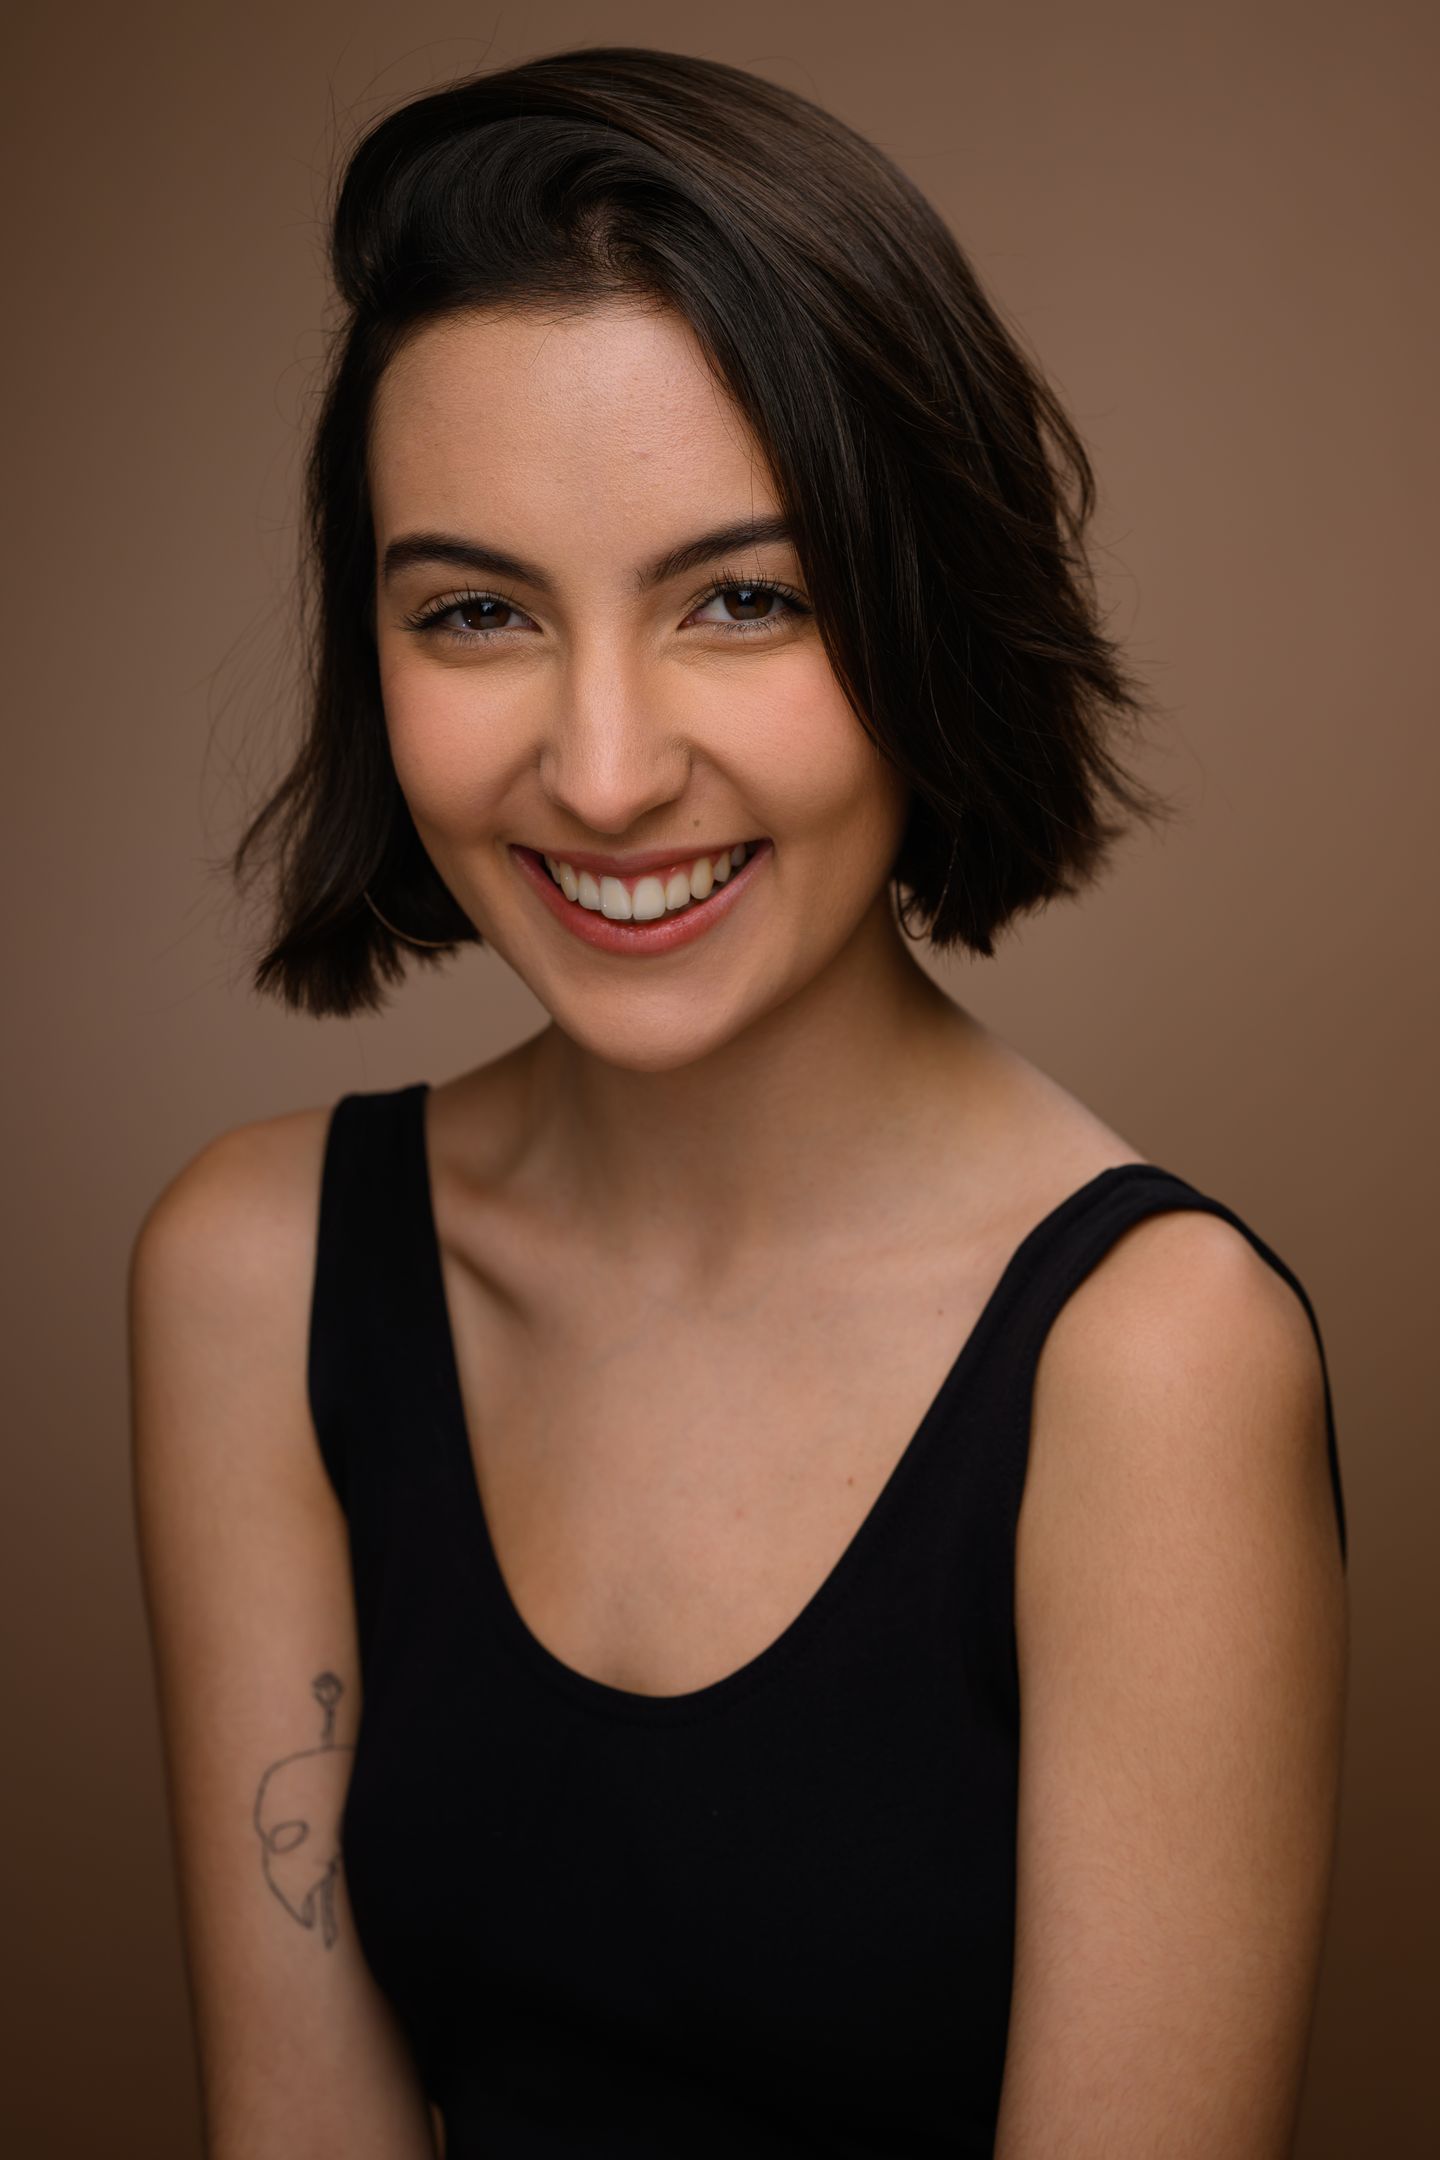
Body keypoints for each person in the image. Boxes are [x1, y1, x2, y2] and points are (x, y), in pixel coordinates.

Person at [127, 45, 1349, 2160]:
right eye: (477, 612)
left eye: (743, 599)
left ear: (927, 614)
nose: (604, 772)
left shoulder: (1155, 1363)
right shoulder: (253, 1274)